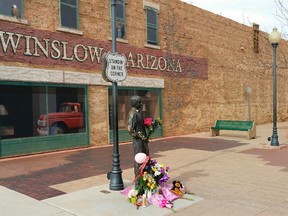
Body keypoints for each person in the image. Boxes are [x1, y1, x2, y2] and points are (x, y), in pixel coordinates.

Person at [127, 95, 149, 188]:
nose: (141, 104)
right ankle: (138, 183)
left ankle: (145, 179)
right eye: (139, 102)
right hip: (138, 141)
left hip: (143, 140)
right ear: (136, 103)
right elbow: (130, 129)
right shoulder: (133, 114)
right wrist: (139, 135)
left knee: (145, 158)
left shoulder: (138, 112)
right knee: (139, 160)